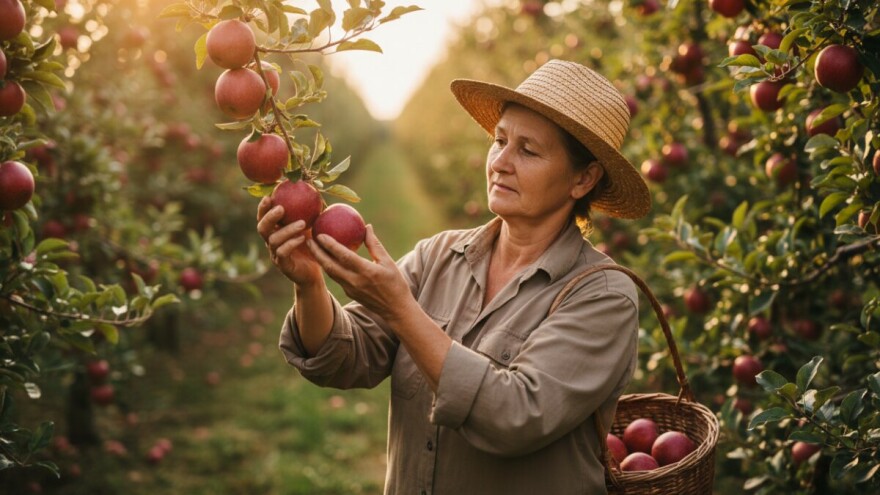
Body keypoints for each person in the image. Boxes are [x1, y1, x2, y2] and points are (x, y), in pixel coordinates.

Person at [257, 59, 651, 495]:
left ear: (583, 178)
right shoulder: (438, 256)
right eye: (498, 140)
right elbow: (345, 358)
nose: (500, 161)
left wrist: (401, 309)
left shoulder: (604, 295)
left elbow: (515, 416)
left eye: (528, 150)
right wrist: (309, 283)